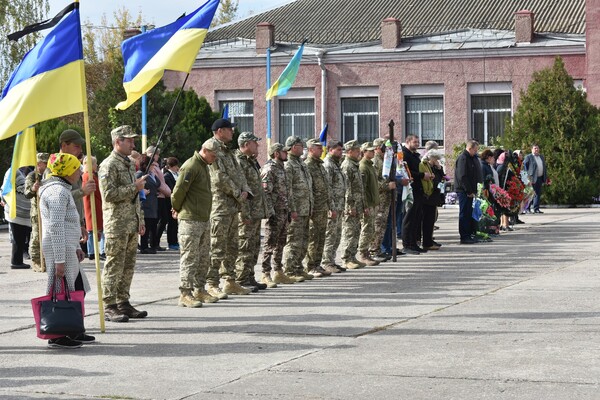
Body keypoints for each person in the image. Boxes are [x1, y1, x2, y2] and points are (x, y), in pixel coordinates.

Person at [39, 152, 93, 348]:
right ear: (68, 171)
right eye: (77, 168)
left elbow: (66, 222)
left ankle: (74, 328)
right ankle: (58, 334)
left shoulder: (62, 189)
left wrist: (77, 245)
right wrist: (59, 260)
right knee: (61, 292)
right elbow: (56, 226)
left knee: (78, 288)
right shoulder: (57, 192)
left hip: (68, 247)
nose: (80, 172)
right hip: (59, 248)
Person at [99, 125, 148, 322]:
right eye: (129, 140)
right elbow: (109, 195)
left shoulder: (128, 163)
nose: (133, 144)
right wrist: (134, 187)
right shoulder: (108, 165)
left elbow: (135, 198)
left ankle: (123, 302)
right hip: (117, 224)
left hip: (130, 223)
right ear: (118, 141)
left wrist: (140, 220)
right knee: (114, 265)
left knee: (128, 266)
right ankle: (109, 305)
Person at [205, 118, 252, 297]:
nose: (233, 132)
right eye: (229, 129)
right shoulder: (211, 146)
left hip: (232, 206)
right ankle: (211, 283)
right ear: (220, 131)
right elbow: (218, 176)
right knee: (217, 245)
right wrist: (237, 193)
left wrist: (245, 189)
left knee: (232, 246)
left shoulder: (227, 150)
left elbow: (238, 173)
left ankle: (230, 281)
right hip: (220, 205)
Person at [171, 141, 220, 308]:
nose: (215, 158)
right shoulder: (191, 166)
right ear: (205, 150)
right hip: (190, 220)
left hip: (203, 219)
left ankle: (199, 289)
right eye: (213, 155)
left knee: (203, 257)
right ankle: (185, 293)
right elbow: (178, 192)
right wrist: (177, 208)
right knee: (190, 257)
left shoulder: (204, 165)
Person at [234, 132, 271, 290]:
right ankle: (241, 279)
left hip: (255, 212)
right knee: (245, 245)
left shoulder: (250, 161)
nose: (258, 145)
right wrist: (244, 213)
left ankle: (249, 277)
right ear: (247, 144)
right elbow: (242, 189)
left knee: (254, 245)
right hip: (246, 212)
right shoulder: (239, 162)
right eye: (255, 143)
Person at [261, 143, 299, 284]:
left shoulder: (282, 169)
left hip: (284, 211)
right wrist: (270, 212)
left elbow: (288, 192)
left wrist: (291, 209)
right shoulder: (269, 169)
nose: (286, 153)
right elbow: (266, 193)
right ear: (276, 153)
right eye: (284, 151)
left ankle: (278, 271)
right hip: (275, 212)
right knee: (270, 244)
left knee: (281, 243)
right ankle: (265, 273)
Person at [282, 135, 314, 281]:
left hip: (306, 208)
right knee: (294, 241)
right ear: (294, 147)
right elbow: (288, 189)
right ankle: (290, 270)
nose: (303, 148)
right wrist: (292, 209)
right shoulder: (288, 165)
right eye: (301, 146)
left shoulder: (301, 163)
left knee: (304, 240)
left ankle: (298, 267)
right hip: (296, 210)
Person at [304, 138, 334, 277]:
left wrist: (330, 206)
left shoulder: (320, 165)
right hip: (314, 208)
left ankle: (317, 263)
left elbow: (327, 188)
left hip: (323, 207)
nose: (321, 150)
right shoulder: (308, 166)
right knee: (313, 237)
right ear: (310, 150)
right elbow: (308, 189)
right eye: (318, 148)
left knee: (321, 237)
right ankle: (310, 266)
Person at [401, 134, 432, 254]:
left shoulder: (415, 155)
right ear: (408, 142)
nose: (417, 144)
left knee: (416, 218)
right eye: (415, 142)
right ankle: (407, 244)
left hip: (419, 189)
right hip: (410, 189)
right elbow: (407, 171)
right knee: (409, 217)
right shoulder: (404, 154)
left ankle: (413, 243)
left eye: (418, 142)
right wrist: (422, 175)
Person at [340, 140, 367, 270]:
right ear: (349, 151)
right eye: (356, 151)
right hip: (351, 206)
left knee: (356, 231)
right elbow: (347, 189)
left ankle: (352, 256)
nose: (359, 153)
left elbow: (359, 188)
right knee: (350, 232)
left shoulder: (354, 165)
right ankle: (346, 259)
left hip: (358, 204)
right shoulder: (347, 166)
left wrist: (363, 204)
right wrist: (350, 206)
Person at [321, 140, 347, 273]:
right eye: (338, 150)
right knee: (330, 234)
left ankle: (332, 260)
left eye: (341, 150)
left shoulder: (337, 164)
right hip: (333, 206)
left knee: (336, 234)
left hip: (339, 204)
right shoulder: (328, 164)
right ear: (330, 150)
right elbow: (328, 187)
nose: (340, 152)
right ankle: (326, 262)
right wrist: (331, 207)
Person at [369, 138, 395, 262]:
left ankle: (378, 249)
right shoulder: (375, 162)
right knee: (377, 225)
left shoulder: (385, 160)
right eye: (384, 148)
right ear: (377, 148)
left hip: (386, 198)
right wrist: (386, 186)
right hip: (379, 198)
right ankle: (373, 250)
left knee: (383, 225)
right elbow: (373, 182)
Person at [2, 167, 32, 269]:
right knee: (17, 237)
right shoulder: (12, 170)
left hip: (23, 212)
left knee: (21, 237)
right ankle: (16, 262)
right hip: (15, 210)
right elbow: (5, 187)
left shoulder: (25, 171)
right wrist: (3, 198)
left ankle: (17, 260)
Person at [24, 153, 49, 272]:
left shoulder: (47, 175)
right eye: (44, 163)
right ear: (39, 163)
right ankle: (36, 261)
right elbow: (27, 194)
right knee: (36, 237)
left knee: (46, 236)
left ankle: (45, 260)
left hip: (47, 209)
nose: (46, 165)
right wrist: (33, 189)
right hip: (37, 211)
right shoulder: (32, 176)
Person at [357, 142, 380, 266]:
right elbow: (363, 189)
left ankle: (366, 252)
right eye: (370, 151)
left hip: (373, 202)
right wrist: (365, 205)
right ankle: (363, 253)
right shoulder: (363, 166)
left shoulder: (370, 165)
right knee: (366, 229)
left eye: (373, 151)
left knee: (371, 229)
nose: (373, 152)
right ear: (364, 152)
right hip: (369, 203)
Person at [455, 139, 480, 244]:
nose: (476, 152)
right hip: (464, 191)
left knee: (469, 213)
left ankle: (469, 234)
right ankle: (464, 236)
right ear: (469, 148)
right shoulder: (463, 158)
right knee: (464, 213)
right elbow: (462, 176)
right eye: (475, 150)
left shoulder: (471, 158)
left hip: (470, 190)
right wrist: (468, 190)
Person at [145, 146, 171, 250]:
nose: (158, 156)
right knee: (160, 220)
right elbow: (157, 183)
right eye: (156, 154)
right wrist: (168, 192)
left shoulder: (155, 166)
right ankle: (154, 242)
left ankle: (155, 242)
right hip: (158, 195)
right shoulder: (151, 166)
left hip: (162, 195)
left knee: (161, 219)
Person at [82, 156, 105, 261]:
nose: (97, 166)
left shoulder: (86, 175)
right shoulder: (89, 176)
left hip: (92, 204)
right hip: (94, 204)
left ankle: (92, 251)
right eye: (95, 164)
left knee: (93, 230)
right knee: (96, 230)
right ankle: (99, 251)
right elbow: (97, 191)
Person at [420, 150, 444, 250]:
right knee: (428, 219)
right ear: (431, 158)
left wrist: (439, 167)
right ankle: (427, 241)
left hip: (434, 195)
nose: (437, 161)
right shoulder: (426, 166)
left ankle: (429, 240)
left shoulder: (434, 167)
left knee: (432, 219)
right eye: (436, 159)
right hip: (429, 195)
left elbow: (441, 176)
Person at [136, 155, 160, 254]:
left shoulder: (150, 174)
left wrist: (154, 175)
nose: (153, 167)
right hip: (145, 203)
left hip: (153, 203)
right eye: (152, 165)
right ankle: (144, 246)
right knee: (146, 225)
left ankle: (153, 245)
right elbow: (136, 185)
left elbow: (157, 184)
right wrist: (142, 190)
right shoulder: (140, 174)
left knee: (153, 225)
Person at [161, 157, 180, 250]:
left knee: (175, 223)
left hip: (176, 201)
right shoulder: (167, 176)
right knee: (171, 223)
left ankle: (175, 241)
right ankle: (171, 242)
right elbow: (172, 189)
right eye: (176, 166)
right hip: (169, 202)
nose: (177, 167)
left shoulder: (176, 174)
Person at [523, 144, 547, 213]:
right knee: (530, 194)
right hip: (531, 179)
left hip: (539, 178)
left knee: (538, 194)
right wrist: (527, 177)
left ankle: (536, 208)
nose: (536, 149)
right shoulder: (528, 157)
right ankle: (527, 209)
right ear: (532, 149)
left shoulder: (541, 157)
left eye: (537, 148)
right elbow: (524, 167)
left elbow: (544, 167)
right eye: (535, 148)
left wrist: (545, 177)